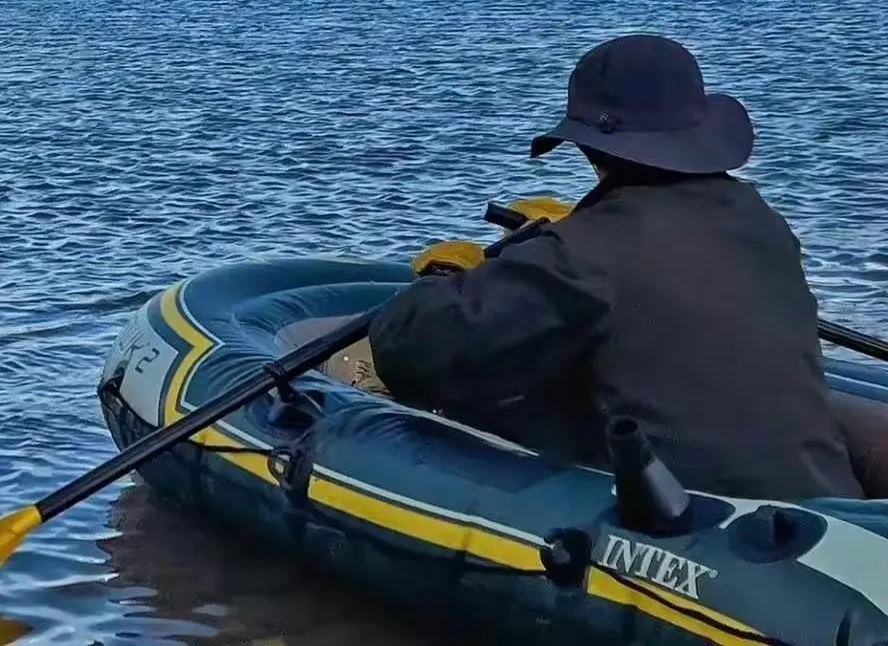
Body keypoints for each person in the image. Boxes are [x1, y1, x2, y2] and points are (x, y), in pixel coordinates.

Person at [369, 34, 861, 500]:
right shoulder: (762, 221)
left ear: (589, 146)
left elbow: (408, 349)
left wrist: (447, 278)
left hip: (699, 528)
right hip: (829, 503)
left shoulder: (581, 254)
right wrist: (570, 230)